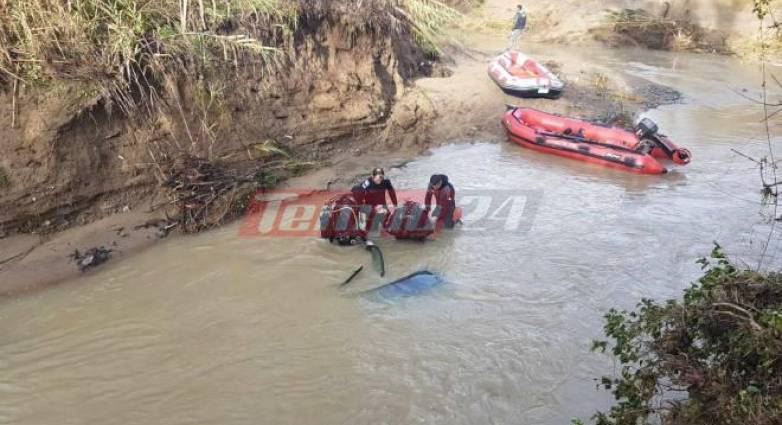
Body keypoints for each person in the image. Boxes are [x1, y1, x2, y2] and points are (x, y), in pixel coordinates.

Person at [352, 167, 398, 234]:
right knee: (370, 229)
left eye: (381, 177)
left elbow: (392, 193)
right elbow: (356, 191)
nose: (379, 180)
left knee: (389, 227)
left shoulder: (386, 181)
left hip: (382, 206)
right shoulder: (367, 183)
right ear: (372, 176)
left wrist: (395, 204)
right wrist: (359, 208)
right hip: (370, 207)